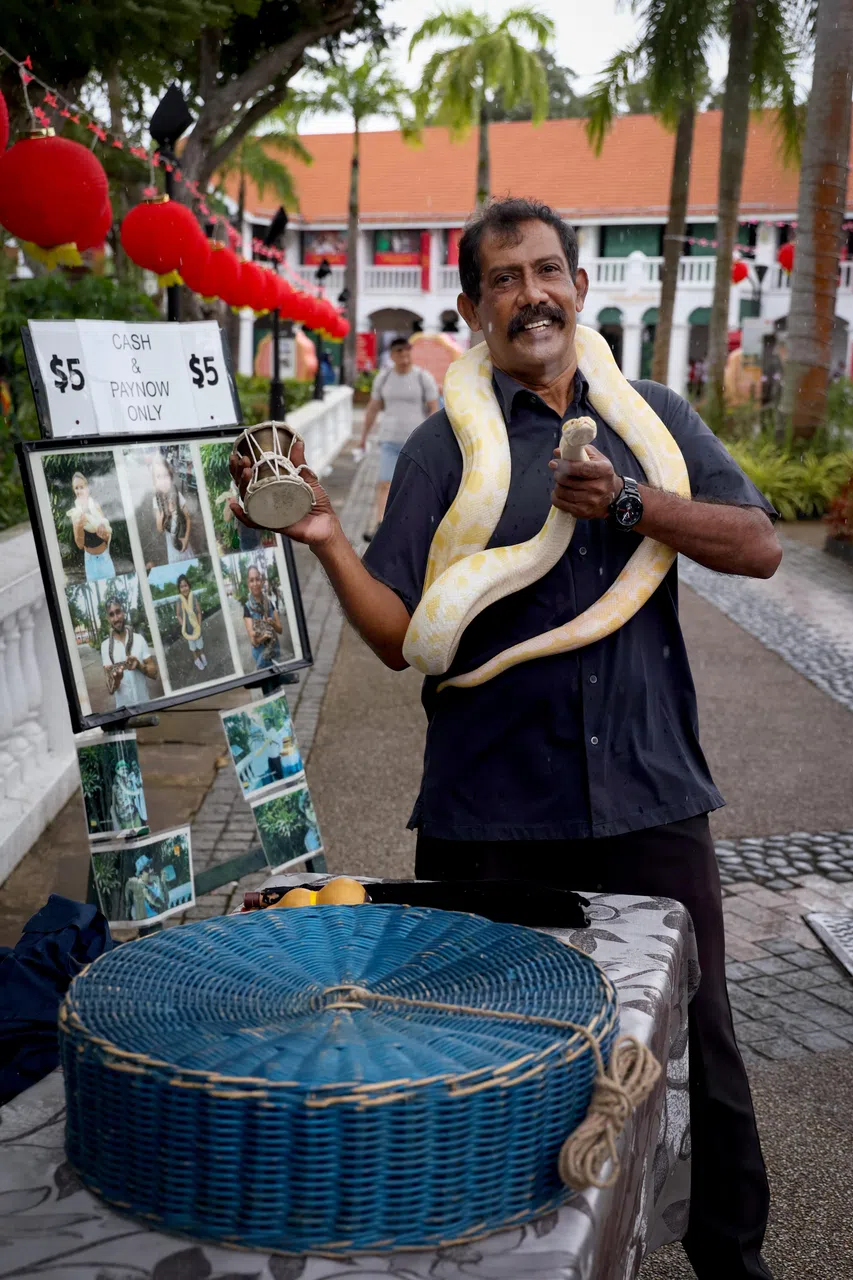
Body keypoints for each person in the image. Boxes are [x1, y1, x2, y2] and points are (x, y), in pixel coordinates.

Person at [230, 196, 784, 1280]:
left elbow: (759, 546)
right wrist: (329, 537)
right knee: (480, 1048)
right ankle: (492, 1253)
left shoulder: (653, 418)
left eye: (546, 271)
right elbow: (402, 638)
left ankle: (734, 1257)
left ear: (577, 286)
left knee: (703, 1040)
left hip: (647, 785)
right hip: (489, 800)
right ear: (474, 306)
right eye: (503, 279)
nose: (530, 293)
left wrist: (629, 500)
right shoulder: (444, 450)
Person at [359, 337, 439, 540]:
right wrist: (363, 436)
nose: (404, 357)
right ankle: (380, 525)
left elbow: (433, 408)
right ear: (392, 355)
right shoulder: (384, 378)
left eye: (407, 352)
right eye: (399, 353)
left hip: (416, 441)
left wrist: (432, 436)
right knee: (385, 482)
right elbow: (373, 408)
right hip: (389, 439)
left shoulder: (423, 377)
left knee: (414, 484)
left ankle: (413, 526)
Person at [100, 596, 159, 711]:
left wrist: (139, 665)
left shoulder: (139, 639)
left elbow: (155, 674)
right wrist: (117, 679)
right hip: (123, 711)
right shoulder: (105, 646)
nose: (116, 618)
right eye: (112, 614)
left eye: (118, 612)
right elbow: (111, 690)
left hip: (145, 705)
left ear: (123, 612)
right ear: (108, 618)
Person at [67, 472, 114, 581]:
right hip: (89, 561)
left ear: (87, 488)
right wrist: (79, 526)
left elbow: (107, 537)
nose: (79, 491)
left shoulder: (96, 506)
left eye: (81, 487)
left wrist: (103, 534)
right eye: (76, 488)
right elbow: (79, 545)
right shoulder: (75, 514)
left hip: (104, 558)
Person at [150, 452, 194, 564]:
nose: (163, 481)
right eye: (158, 477)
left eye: (166, 476)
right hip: (172, 546)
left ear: (170, 477)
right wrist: (161, 518)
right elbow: (160, 530)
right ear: (154, 482)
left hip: (184, 540)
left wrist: (186, 539)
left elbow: (188, 518)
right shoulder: (156, 500)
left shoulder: (177, 495)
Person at [242, 564, 282, 669]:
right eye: (251, 580)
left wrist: (272, 623)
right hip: (261, 658)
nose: (255, 583)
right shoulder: (247, 608)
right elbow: (253, 641)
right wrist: (263, 637)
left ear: (262, 581)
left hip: (275, 653)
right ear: (248, 584)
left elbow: (280, 630)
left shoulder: (269, 603)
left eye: (257, 579)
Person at [175, 573, 207, 672]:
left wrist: (199, 625)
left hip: (196, 628)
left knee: (200, 644)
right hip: (188, 630)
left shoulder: (194, 597)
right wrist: (183, 626)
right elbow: (178, 615)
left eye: (185, 585)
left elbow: (198, 612)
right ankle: (196, 659)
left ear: (189, 586)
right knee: (192, 647)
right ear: (179, 589)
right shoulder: (179, 600)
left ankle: (201, 654)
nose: (184, 589)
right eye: (181, 587)